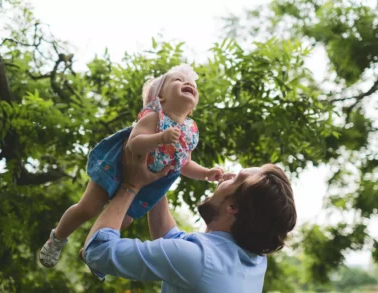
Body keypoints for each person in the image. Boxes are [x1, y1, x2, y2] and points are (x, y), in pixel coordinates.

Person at [39, 64, 223, 268]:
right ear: (160, 97)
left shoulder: (189, 131)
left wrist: (206, 173)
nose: (187, 82)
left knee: (124, 220)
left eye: (191, 83)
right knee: (88, 208)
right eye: (178, 80)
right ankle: (57, 237)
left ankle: (89, 248)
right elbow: (134, 143)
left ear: (193, 107)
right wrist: (160, 137)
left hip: (146, 184)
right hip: (116, 167)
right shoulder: (154, 118)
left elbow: (184, 162)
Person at [81, 143, 297, 292]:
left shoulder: (198, 259)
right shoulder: (255, 259)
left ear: (233, 207)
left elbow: (98, 252)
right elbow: (171, 239)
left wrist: (131, 185)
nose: (228, 176)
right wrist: (157, 172)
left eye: (237, 179)